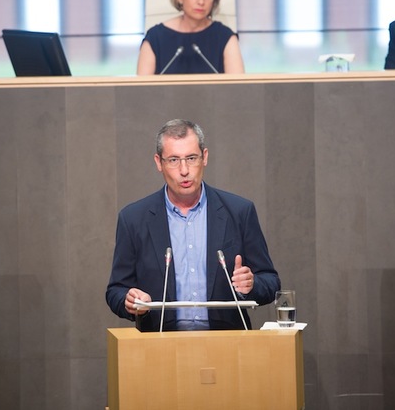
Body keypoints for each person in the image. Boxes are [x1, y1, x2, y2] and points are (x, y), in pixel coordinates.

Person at [106, 119, 280, 331]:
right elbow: (116, 290)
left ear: (204, 157)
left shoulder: (239, 212)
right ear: (158, 162)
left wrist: (252, 285)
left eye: (191, 158)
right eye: (173, 160)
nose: (184, 170)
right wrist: (130, 300)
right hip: (159, 347)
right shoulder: (133, 218)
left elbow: (271, 283)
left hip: (227, 344)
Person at [137, 0, 245, 75]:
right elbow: (142, 90)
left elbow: (237, 89)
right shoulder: (155, 38)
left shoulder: (225, 37)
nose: (201, 2)